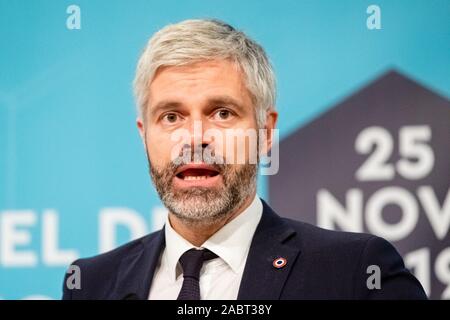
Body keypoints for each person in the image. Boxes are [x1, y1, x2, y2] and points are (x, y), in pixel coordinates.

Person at [62, 19, 427, 300]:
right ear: (143, 134)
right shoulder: (91, 283)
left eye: (222, 113)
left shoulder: (355, 272)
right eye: (171, 117)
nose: (194, 138)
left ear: (265, 133)